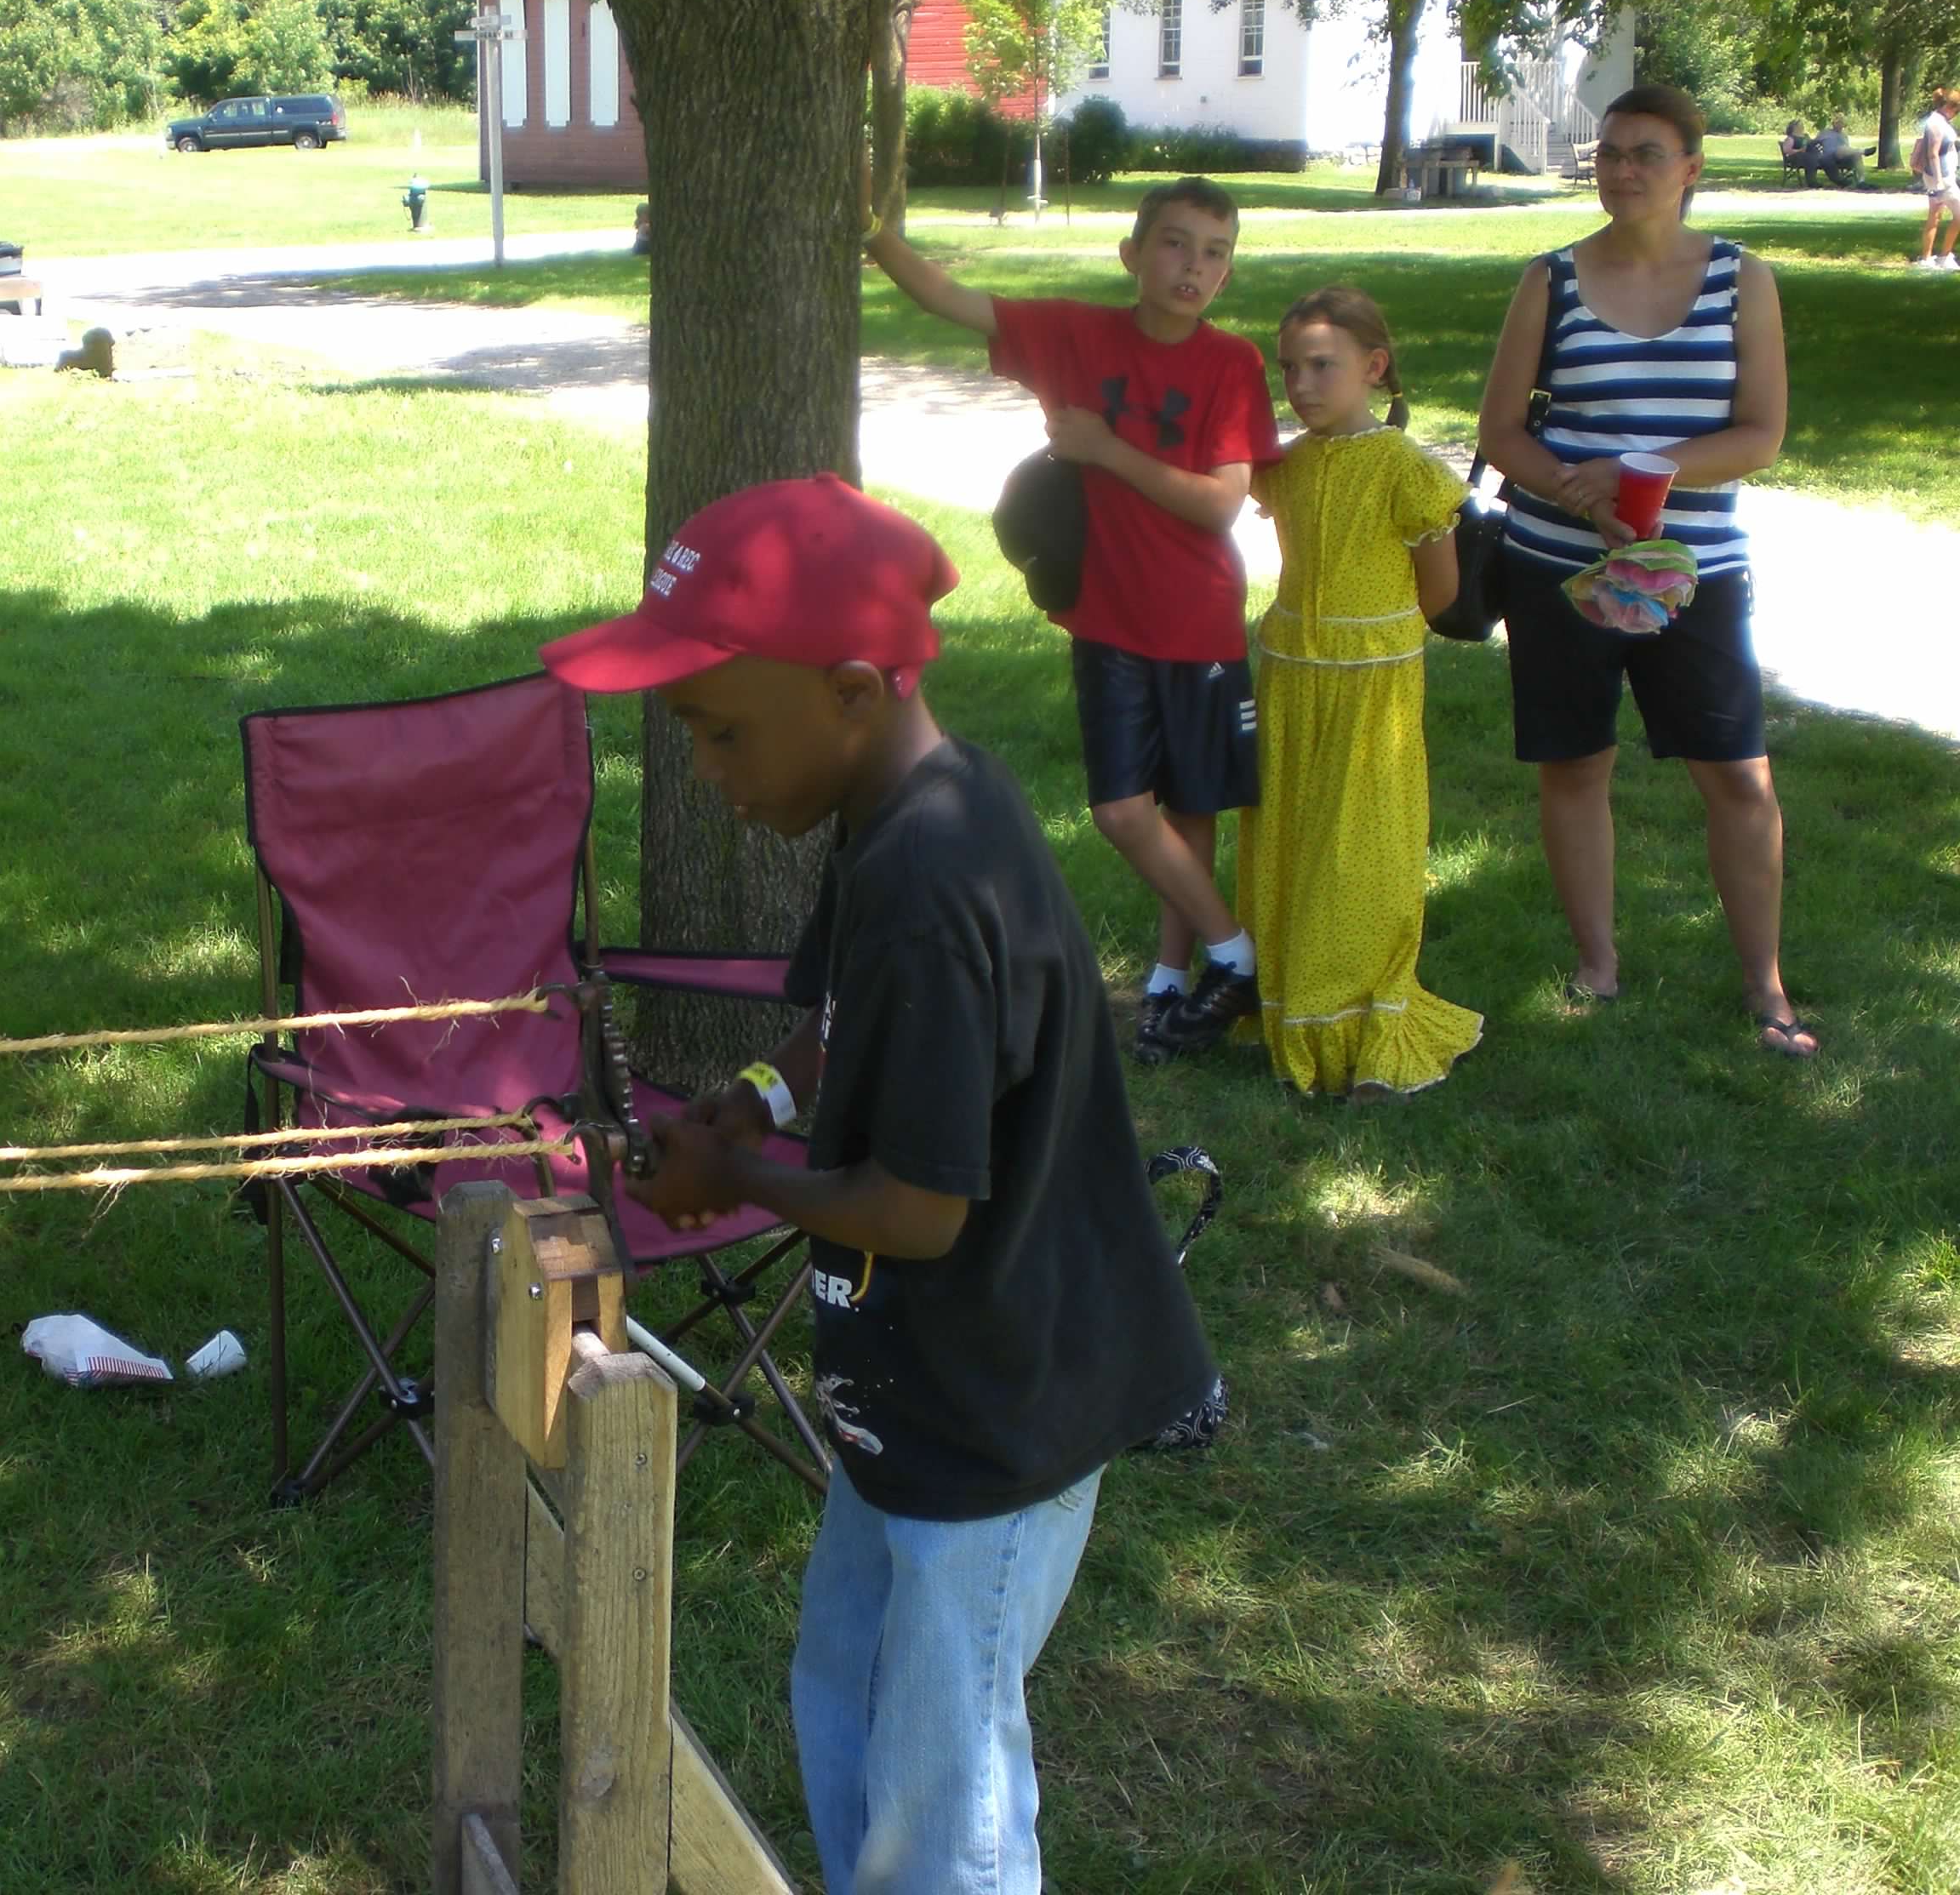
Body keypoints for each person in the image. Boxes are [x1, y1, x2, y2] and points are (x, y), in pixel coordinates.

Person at [537, 475, 1218, 1895]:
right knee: (848, 1684)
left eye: (722, 731)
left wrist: (738, 1174)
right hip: (915, 1385)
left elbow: (917, 1208)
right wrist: (761, 1098)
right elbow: (839, 1023)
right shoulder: (904, 803)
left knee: (943, 1781)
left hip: (999, 1405)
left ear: (849, 689)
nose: (706, 770)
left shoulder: (929, 878)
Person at [866, 180, 1280, 1065]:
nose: (1192, 266)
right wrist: (873, 232)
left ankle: (1169, 988)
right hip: (1107, 615)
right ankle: (1236, 957)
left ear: (1228, 273)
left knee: (1189, 812)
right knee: (1124, 810)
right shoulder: (1077, 336)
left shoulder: (1232, 364)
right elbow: (952, 299)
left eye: (1214, 253)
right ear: (1132, 255)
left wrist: (1106, 450)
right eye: (1174, 243)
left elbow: (1221, 505)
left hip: (1200, 619)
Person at [1478, 84, 1813, 1059]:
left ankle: (1766, 986)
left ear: (1691, 170)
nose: (1623, 170)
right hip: (1558, 565)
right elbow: (1501, 432)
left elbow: (1761, 434)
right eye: (1611, 152)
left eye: (1647, 154)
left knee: (1739, 777)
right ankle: (1598, 966)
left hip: (1695, 572)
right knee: (1577, 763)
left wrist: (1639, 475)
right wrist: (1579, 494)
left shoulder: (1742, 279)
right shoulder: (1550, 280)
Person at [1237, 287, 1482, 1096]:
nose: (1301, 384)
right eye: (1288, 368)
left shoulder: (1407, 470)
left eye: (1321, 365)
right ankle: (1288, 996)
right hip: (1291, 675)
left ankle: (1355, 1013)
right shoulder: (1287, 465)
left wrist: (1367, 633)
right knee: (1294, 836)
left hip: (1371, 684)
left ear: (1374, 367)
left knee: (1357, 850)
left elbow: (1440, 594)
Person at [1911, 88, 1960, 270]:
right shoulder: (1936, 123)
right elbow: (1933, 153)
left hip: (1939, 177)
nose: (1956, 114)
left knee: (1935, 215)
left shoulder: (1938, 120)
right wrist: (1939, 181)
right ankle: (1944, 256)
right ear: (1949, 107)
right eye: (1957, 110)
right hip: (1942, 178)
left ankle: (1927, 258)